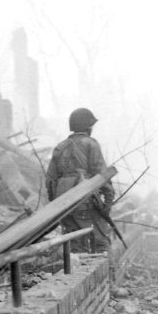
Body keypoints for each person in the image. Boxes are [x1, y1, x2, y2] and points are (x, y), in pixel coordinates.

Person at [45, 107, 115, 253]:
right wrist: (108, 202)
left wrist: (57, 204)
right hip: (86, 202)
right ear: (88, 126)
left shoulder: (60, 147)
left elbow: (50, 181)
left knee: (74, 247)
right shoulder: (90, 144)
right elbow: (102, 175)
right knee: (101, 243)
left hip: (64, 205)